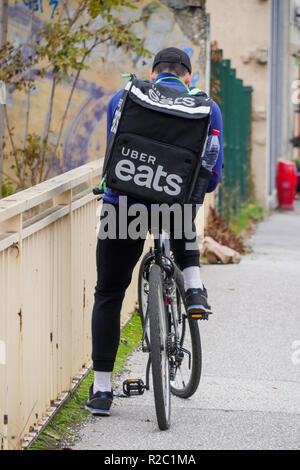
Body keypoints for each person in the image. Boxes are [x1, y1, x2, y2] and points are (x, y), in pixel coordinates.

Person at [86, 47, 223, 415]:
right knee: (181, 208)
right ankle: (193, 287)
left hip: (123, 206)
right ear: (187, 76)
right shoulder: (207, 107)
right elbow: (211, 176)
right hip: (174, 209)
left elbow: (113, 150)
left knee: (110, 293)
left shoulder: (126, 96)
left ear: (153, 72)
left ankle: (101, 391)